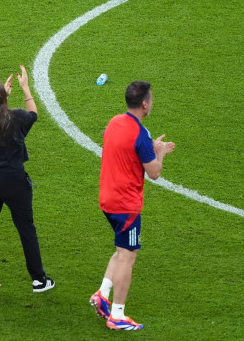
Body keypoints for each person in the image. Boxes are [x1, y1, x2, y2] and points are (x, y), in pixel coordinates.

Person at [89, 81, 175, 331]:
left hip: (107, 198)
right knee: (128, 256)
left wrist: (150, 147)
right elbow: (154, 173)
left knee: (120, 249)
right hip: (125, 204)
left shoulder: (114, 122)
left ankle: (102, 294)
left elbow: (119, 147)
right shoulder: (141, 134)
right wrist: (158, 152)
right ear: (145, 104)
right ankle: (117, 315)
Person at [0, 66, 54, 292]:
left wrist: (1, 96)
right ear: (2, 98)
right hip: (13, 181)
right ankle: (39, 279)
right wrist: (25, 89)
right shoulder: (16, 118)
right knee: (26, 228)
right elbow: (33, 114)